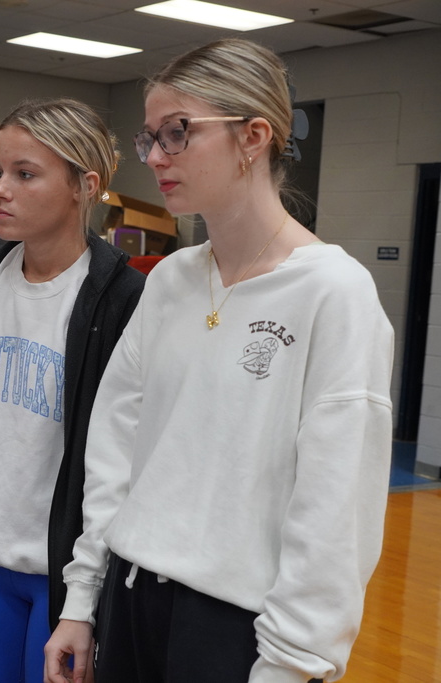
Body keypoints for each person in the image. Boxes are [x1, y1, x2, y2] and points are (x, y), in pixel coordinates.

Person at [44, 38, 394, 683]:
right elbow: (115, 448)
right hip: (130, 596)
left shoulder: (332, 293)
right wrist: (82, 600)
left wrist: (292, 664)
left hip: (237, 626)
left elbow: (335, 511)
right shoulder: (172, 280)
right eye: (149, 137)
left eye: (177, 134)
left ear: (253, 136)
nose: (155, 157)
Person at [0, 97, 146, 682]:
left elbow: (123, 458)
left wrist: (88, 597)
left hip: (67, 576)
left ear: (82, 186)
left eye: (25, 173)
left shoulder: (121, 300)